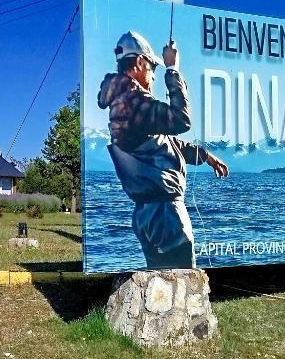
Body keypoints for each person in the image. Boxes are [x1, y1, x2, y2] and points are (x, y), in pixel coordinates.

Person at [97, 30, 229, 269]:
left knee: (162, 280)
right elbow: (181, 121)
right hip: (164, 213)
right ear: (139, 63)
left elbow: (164, 142)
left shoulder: (125, 105)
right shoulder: (134, 104)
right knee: (181, 279)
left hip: (151, 213)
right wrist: (172, 69)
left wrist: (205, 156)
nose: (154, 76)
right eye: (153, 68)